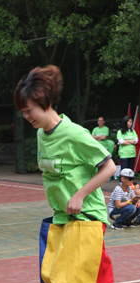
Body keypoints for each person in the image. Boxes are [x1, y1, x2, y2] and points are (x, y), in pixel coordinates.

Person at [14, 65, 116, 224]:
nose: (26, 116)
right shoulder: (41, 133)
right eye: (23, 112)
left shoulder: (74, 133)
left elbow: (110, 167)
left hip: (86, 216)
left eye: (29, 110)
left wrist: (79, 196)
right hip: (62, 216)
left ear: (47, 103)